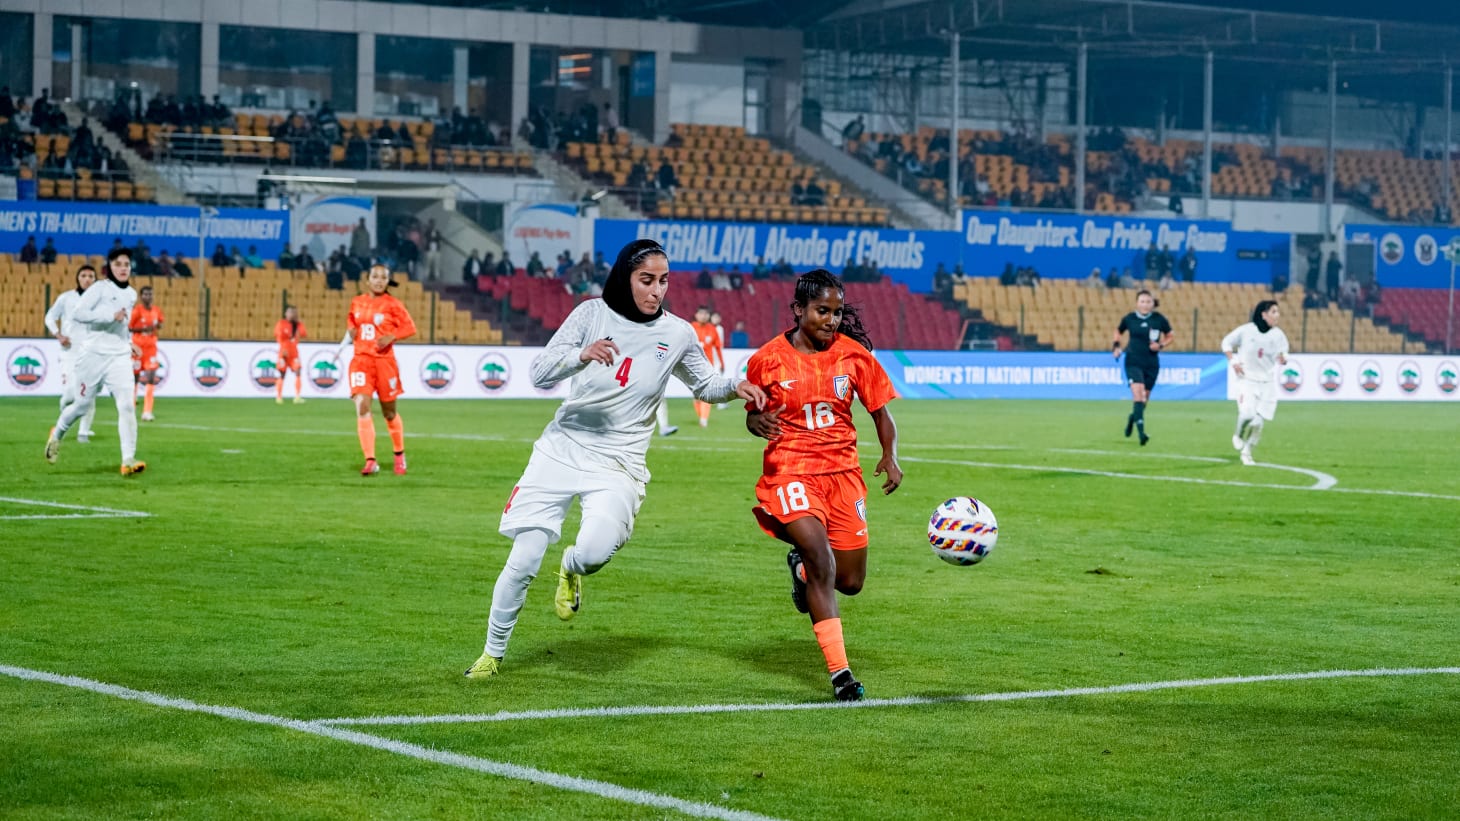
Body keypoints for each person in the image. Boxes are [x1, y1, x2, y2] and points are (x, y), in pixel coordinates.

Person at [464, 239, 768, 679]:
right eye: (646, 280)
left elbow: (704, 385)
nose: (657, 291)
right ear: (625, 278)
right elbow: (540, 373)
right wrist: (581, 355)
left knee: (592, 554)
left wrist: (735, 387)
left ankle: (570, 568)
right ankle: (491, 655)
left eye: (663, 281)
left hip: (618, 463)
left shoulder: (677, 334)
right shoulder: (591, 314)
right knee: (525, 557)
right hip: (561, 449)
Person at [743, 268, 901, 701]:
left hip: (843, 476)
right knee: (820, 554)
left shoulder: (854, 356)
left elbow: (881, 413)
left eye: (837, 312)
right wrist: (757, 421)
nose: (831, 320)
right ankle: (840, 675)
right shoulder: (767, 359)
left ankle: (801, 570)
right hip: (790, 470)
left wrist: (889, 455)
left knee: (849, 581)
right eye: (821, 311)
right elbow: (753, 416)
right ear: (798, 309)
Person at [45, 248, 146, 475]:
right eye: (118, 264)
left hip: (119, 357)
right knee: (81, 406)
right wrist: (109, 316)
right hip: (92, 355)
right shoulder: (99, 288)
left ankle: (128, 459)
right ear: (110, 267)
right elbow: (78, 314)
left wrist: (129, 342)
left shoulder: (131, 294)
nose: (123, 268)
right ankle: (57, 434)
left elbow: (122, 324)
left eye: (126, 264)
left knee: (127, 406)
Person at [335, 265, 416, 476]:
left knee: (389, 413)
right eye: (375, 276)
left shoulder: (393, 304)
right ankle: (370, 460)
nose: (379, 280)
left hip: (384, 362)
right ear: (367, 280)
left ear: (387, 281)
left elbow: (410, 327)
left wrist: (392, 336)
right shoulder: (357, 302)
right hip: (361, 361)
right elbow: (351, 322)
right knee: (362, 406)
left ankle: (399, 455)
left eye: (383, 277)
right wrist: (350, 332)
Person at [1221, 300, 1290, 467]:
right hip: (1247, 379)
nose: (1277, 315)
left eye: (1278, 312)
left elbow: (1284, 352)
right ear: (1263, 314)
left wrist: (1284, 358)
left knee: (1258, 423)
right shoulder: (1246, 330)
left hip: (1267, 383)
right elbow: (1226, 343)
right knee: (1247, 415)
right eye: (1273, 311)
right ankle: (1238, 434)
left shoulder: (1278, 335)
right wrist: (1233, 361)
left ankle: (1247, 453)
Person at [44, 265, 100, 444]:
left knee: (89, 393)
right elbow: (50, 317)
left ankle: (83, 433)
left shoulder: (100, 301)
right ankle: (63, 421)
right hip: (70, 351)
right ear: (78, 278)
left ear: (95, 280)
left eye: (91, 276)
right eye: (83, 275)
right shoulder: (66, 298)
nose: (87, 279)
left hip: (92, 353)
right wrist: (58, 335)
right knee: (69, 394)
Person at [1113, 289, 1173, 447]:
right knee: (1138, 394)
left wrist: (1161, 345)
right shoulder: (1130, 318)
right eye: (1142, 301)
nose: (1145, 304)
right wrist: (1116, 346)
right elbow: (1118, 331)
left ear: (1153, 304)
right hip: (1133, 361)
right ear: (1137, 303)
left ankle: (1132, 418)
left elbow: (1170, 336)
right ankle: (1142, 434)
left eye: (1148, 302)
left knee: (1144, 400)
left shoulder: (1159, 319)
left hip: (1151, 364)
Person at [128, 284, 164, 422]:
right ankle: (131, 407)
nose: (148, 297)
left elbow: (160, 322)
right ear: (141, 296)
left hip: (151, 348)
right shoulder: (137, 311)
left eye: (150, 294)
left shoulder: (156, 310)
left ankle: (147, 411)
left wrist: (157, 326)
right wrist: (143, 329)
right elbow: (129, 327)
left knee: (150, 378)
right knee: (135, 378)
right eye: (145, 294)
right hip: (137, 349)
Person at [690, 306, 724, 427]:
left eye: (705, 314)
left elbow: (718, 347)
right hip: (692, 366)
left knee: (706, 392)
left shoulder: (712, 329)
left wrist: (722, 363)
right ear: (696, 315)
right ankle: (701, 416)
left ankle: (703, 420)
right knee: (696, 396)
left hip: (707, 366)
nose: (703, 316)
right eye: (701, 313)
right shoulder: (690, 328)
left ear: (708, 316)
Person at [274, 305, 308, 404]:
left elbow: (304, 333)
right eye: (289, 312)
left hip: (294, 353)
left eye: (293, 313)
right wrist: (283, 348)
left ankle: (297, 397)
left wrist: (298, 324)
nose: (291, 314)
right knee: (282, 374)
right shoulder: (281, 323)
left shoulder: (297, 324)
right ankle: (279, 397)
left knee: (298, 371)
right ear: (286, 313)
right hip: (284, 353)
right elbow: (278, 336)